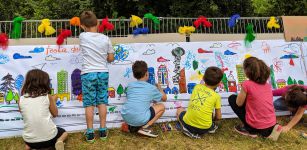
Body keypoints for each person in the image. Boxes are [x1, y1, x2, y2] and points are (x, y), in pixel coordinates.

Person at [79, 10, 115, 142]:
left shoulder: (82, 37)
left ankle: (89, 133)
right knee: (102, 101)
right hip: (103, 72)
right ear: (98, 23)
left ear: (82, 26)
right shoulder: (106, 39)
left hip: (88, 73)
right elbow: (111, 58)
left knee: (89, 103)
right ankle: (103, 130)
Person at [228, 57, 282, 141]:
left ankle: (250, 130)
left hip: (256, 126)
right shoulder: (267, 85)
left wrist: (242, 91)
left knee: (232, 98)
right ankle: (269, 131)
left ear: (247, 72)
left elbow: (238, 103)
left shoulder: (247, 84)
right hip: (271, 123)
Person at [19, 69, 68, 150]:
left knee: (30, 140)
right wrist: (53, 99)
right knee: (64, 132)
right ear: (44, 82)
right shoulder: (47, 96)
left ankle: (29, 146)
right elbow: (55, 114)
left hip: (29, 140)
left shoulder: (21, 99)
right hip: (49, 139)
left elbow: (26, 114)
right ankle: (59, 141)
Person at [121, 61, 167, 137]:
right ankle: (144, 127)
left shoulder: (129, 86)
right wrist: (159, 87)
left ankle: (131, 126)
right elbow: (164, 98)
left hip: (126, 116)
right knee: (162, 106)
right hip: (140, 118)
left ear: (134, 75)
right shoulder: (151, 87)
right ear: (146, 73)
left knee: (138, 110)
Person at [176, 66, 223, 138]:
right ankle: (211, 127)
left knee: (179, 110)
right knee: (211, 114)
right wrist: (212, 120)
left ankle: (185, 128)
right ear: (219, 83)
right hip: (205, 128)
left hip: (188, 124)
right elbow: (219, 117)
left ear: (203, 78)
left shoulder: (196, 87)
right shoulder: (216, 96)